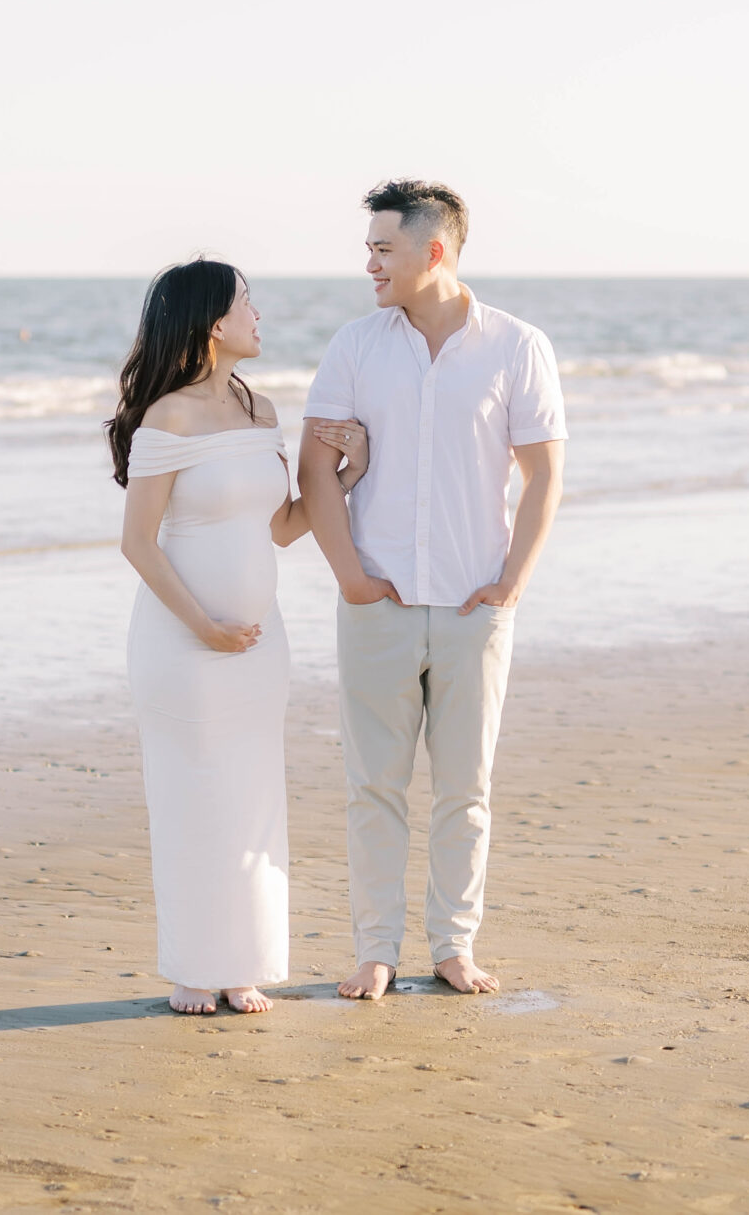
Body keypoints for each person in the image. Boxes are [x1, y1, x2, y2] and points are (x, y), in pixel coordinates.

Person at [299, 180, 566, 1000]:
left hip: (470, 608)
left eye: (384, 248)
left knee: (465, 789)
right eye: (370, 247)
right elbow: (315, 468)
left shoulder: (517, 346)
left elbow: (544, 471)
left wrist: (511, 581)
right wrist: (349, 575)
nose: (369, 263)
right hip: (376, 603)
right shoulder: (355, 345)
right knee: (372, 787)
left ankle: (454, 946)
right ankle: (376, 948)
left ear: (434, 251)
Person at [109, 258, 369, 1016]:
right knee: (193, 797)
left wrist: (346, 478)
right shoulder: (168, 418)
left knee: (252, 798)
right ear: (212, 322)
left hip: (259, 647)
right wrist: (205, 626)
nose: (260, 313)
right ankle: (194, 967)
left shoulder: (260, 410)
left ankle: (242, 963)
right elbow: (139, 543)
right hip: (183, 649)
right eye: (247, 301)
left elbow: (283, 527)